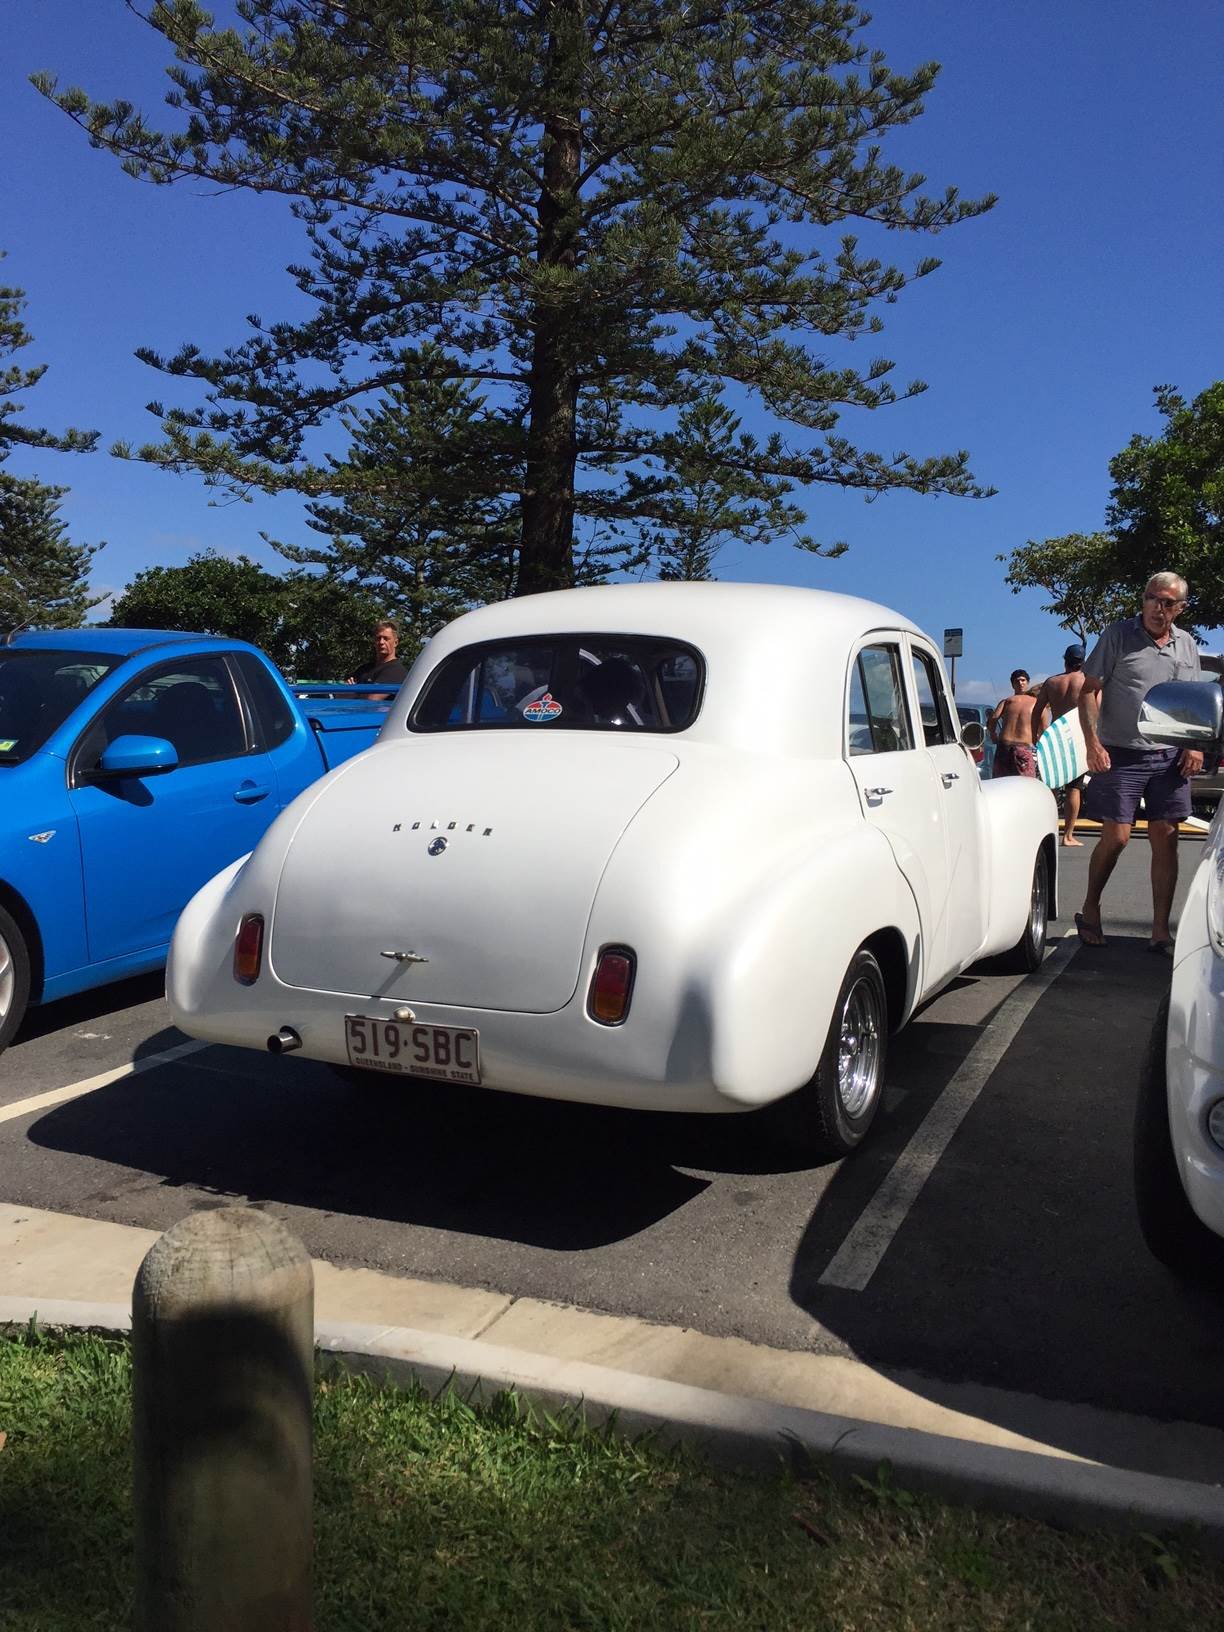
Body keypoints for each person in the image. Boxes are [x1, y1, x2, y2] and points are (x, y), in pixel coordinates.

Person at [1074, 572, 1203, 954]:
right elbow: (1089, 691)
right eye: (1151, 598)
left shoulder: (1186, 644)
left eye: (1167, 603)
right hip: (1120, 752)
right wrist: (1092, 744)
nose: (1157, 608)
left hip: (1169, 755)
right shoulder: (1118, 635)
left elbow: (1193, 699)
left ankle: (1160, 932)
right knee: (1117, 837)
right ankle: (1091, 907)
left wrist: (1194, 746)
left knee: (1167, 837)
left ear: (1180, 608)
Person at [1032, 644, 1087, 845]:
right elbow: (1097, 710)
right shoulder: (1087, 681)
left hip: (1056, 736)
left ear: (1065, 661)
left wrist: (1034, 735)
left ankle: (1048, 831)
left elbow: (1037, 710)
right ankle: (1068, 835)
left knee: (1052, 785)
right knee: (1074, 788)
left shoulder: (1052, 682)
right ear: (1082, 662)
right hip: (1077, 737)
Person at [988, 669, 1045, 777]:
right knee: (1025, 784)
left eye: (1023, 680)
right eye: (1017, 681)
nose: (1020, 683)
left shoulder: (1007, 702)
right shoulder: (1036, 703)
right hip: (1021, 749)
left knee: (1002, 783)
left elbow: (993, 718)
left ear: (1027, 682)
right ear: (1013, 685)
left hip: (1004, 747)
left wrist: (993, 734)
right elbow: (1044, 729)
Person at [347, 620, 408, 699]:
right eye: (378, 638)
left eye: (386, 638)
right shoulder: (364, 669)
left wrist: (352, 692)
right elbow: (342, 693)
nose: (381, 642)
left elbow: (372, 699)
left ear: (395, 643)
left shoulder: (396, 670)